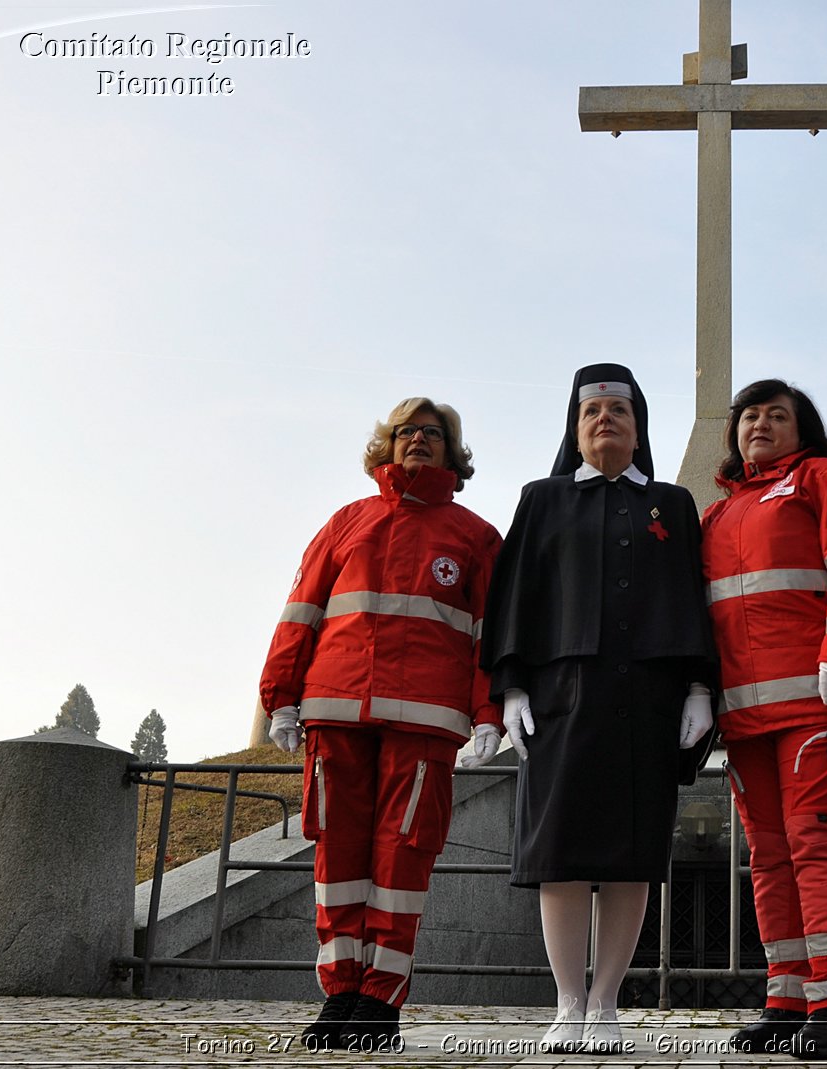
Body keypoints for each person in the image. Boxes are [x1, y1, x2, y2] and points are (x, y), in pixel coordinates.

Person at [470, 363, 717, 1055]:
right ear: (574, 427)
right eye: (592, 412)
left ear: (640, 427)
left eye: (618, 410)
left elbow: (692, 600)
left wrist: (700, 688)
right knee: (563, 856)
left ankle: (606, 1002)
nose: (605, 419)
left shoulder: (673, 503)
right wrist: (511, 688)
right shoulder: (542, 499)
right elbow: (515, 594)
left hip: (649, 698)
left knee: (632, 856)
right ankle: (567, 1000)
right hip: (558, 700)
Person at [258, 397, 503, 1052]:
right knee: (337, 856)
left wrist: (489, 713)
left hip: (425, 721)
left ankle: (380, 1002)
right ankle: (339, 993)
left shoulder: (477, 536)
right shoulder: (346, 521)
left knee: (402, 859)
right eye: (406, 432)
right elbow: (301, 612)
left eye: (433, 433)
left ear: (453, 452)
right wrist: (280, 693)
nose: (418, 441)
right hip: (336, 710)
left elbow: (491, 639)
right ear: (386, 445)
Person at [700, 380, 827, 1061]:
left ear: (801, 428)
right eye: (750, 415)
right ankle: (788, 997)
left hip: (822, 696)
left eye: (777, 415)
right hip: (747, 712)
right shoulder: (718, 516)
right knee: (770, 855)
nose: (760, 424)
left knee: (814, 838)